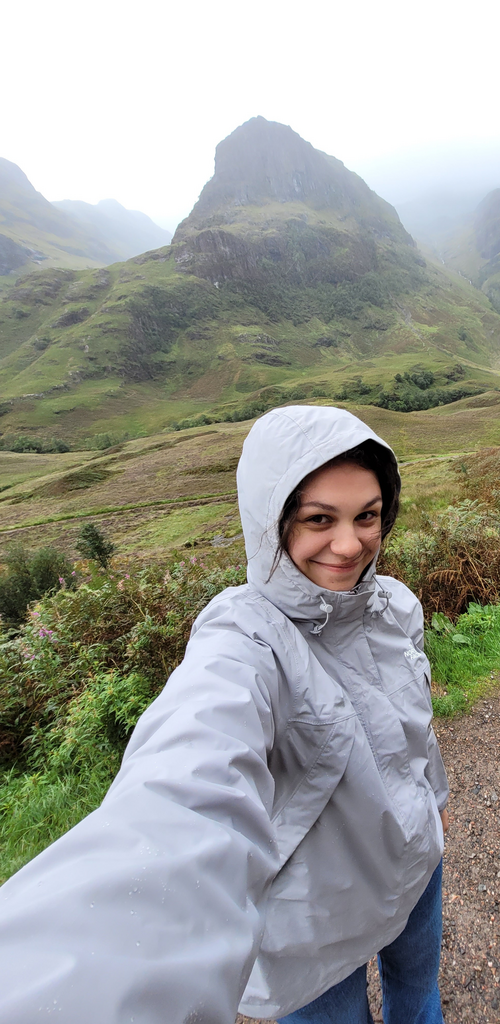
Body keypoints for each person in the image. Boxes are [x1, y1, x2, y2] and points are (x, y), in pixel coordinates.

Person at [0, 405, 449, 1024]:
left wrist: (430, 810)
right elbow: (184, 793)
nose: (350, 545)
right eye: (319, 519)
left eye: (366, 516)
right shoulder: (243, 642)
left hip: (417, 870)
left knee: (420, 1004)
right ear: (271, 523)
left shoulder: (395, 605)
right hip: (312, 928)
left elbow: (413, 740)